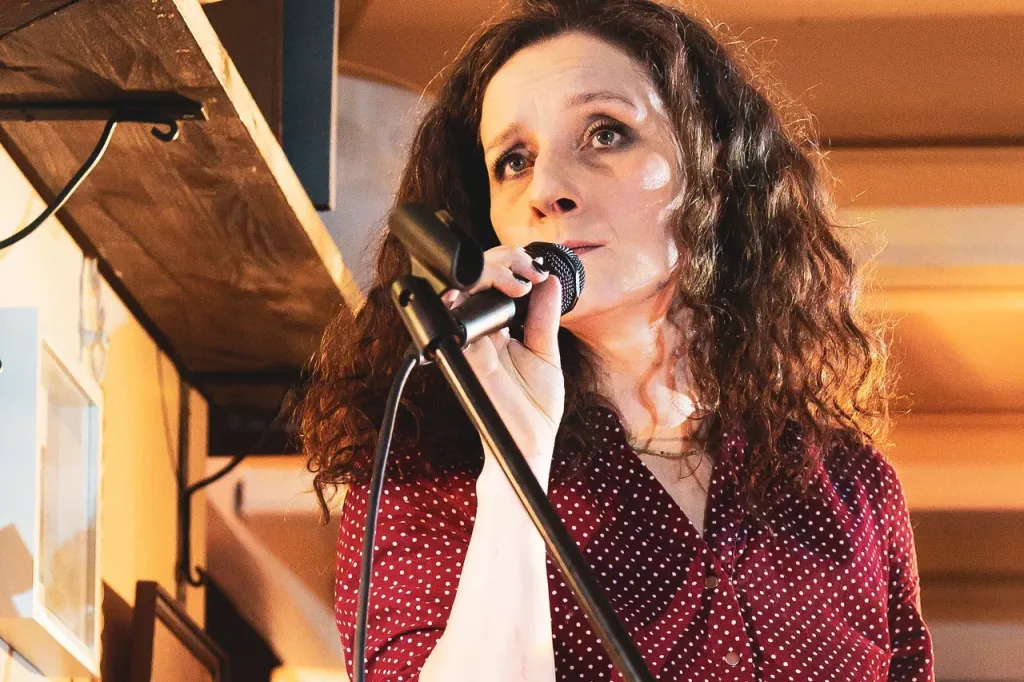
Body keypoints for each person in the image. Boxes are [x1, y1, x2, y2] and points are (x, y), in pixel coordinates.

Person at [299, 0, 934, 680]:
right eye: (514, 161)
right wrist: (513, 462)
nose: (547, 188)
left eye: (605, 134)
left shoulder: (853, 488)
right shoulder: (427, 479)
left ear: (714, 169)